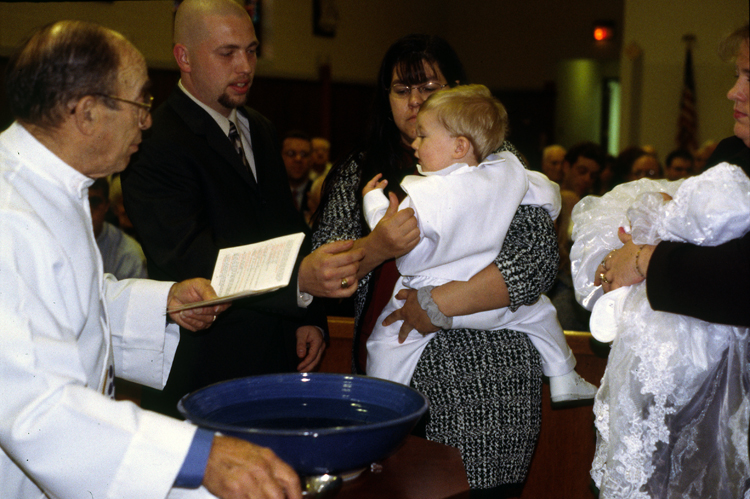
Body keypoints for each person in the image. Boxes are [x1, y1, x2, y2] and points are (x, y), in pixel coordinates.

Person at [0, 20, 301, 499]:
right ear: (86, 113)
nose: (147, 120)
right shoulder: (9, 215)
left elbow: (68, 303)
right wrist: (199, 454)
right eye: (141, 102)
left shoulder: (53, 186)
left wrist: (164, 301)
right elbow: (34, 409)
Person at [312, 34, 561, 496]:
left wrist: (435, 304)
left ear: (456, 90)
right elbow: (326, 275)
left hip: (486, 383)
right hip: (386, 374)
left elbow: (534, 263)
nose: (414, 102)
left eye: (428, 86)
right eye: (401, 90)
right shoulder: (360, 173)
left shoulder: (499, 165)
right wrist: (380, 245)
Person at [122, 0, 363, 418]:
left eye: (251, 51)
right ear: (185, 58)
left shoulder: (259, 127)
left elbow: (288, 232)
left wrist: (308, 315)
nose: (245, 66)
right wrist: (298, 284)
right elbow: (190, 258)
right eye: (227, 52)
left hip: (278, 357)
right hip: (207, 367)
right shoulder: (155, 141)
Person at [571, 23, 750, 499]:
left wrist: (648, 259)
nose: (734, 91)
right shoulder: (736, 153)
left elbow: (742, 278)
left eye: (749, 77)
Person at [361, 84, 595, 404]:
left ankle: (382, 404)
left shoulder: (427, 195)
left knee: (386, 343)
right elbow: (546, 193)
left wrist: (371, 200)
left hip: (423, 296)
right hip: (487, 304)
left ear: (459, 146)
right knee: (538, 311)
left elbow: (387, 230)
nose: (415, 143)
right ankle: (564, 375)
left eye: (423, 136)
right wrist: (554, 205)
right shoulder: (507, 172)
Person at [89, 177, 149, 279]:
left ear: (107, 205)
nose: (88, 209)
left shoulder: (129, 254)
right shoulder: (58, 240)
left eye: (94, 202)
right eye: (81, 202)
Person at [281, 130, 314, 216]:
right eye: (291, 154)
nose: (298, 159)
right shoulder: (269, 194)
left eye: (304, 154)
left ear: (311, 159)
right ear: (280, 157)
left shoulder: (319, 196)